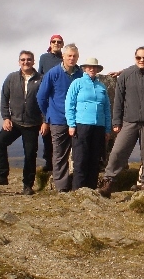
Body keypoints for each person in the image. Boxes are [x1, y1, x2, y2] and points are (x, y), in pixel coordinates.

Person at [98, 47, 144, 197]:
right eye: (139, 58)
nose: (142, 60)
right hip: (129, 122)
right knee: (118, 151)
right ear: (135, 58)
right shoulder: (126, 75)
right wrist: (116, 122)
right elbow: (118, 100)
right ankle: (108, 183)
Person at [0, 51, 42, 195]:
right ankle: (2, 176)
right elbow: (4, 98)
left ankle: (27, 185)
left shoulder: (41, 79)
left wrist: (44, 121)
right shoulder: (11, 78)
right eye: (23, 60)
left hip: (33, 124)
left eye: (29, 59)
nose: (26, 62)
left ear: (33, 61)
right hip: (15, 122)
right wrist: (6, 118)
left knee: (30, 154)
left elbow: (45, 101)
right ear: (19, 62)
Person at [36, 43, 83, 192]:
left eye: (74, 56)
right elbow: (41, 97)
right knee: (60, 155)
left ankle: (78, 187)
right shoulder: (53, 73)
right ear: (63, 56)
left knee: (79, 154)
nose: (72, 58)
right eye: (69, 55)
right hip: (58, 120)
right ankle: (61, 188)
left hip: (77, 120)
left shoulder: (80, 73)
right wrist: (49, 115)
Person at [65, 57, 111, 191]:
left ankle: (91, 191)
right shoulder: (77, 83)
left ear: (97, 69)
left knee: (95, 159)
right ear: (85, 68)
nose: (92, 69)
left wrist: (107, 129)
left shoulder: (101, 86)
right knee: (80, 159)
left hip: (99, 127)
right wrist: (71, 124)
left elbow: (107, 109)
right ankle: (77, 191)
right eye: (89, 67)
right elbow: (70, 104)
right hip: (81, 125)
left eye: (94, 67)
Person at [37, 34, 64, 172]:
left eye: (59, 42)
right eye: (54, 41)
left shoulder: (64, 58)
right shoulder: (44, 58)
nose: (56, 43)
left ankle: (57, 164)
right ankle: (48, 162)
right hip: (47, 95)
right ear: (50, 43)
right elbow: (40, 75)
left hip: (58, 97)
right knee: (46, 132)